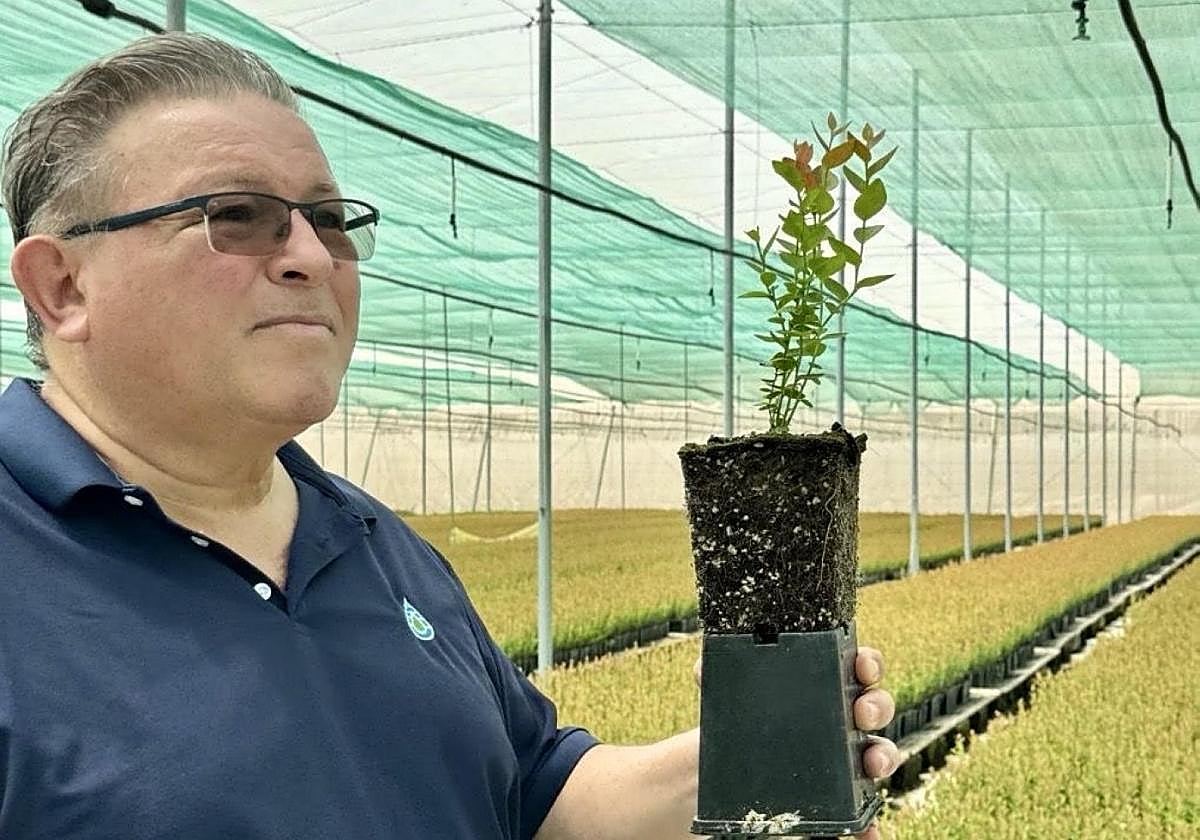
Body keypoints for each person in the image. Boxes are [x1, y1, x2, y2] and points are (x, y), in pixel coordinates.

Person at [0, 33, 899, 840]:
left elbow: (537, 799)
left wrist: (755, 754)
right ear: (63, 288)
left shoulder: (372, 543)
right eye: (237, 217)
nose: (310, 255)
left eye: (331, 220)